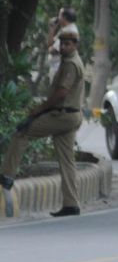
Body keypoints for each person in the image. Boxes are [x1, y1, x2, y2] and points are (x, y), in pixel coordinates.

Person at [1, 27, 85, 217]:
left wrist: (41, 109)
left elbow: (62, 92)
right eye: (62, 43)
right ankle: (71, 204)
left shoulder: (71, 63)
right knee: (67, 161)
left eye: (67, 44)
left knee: (22, 132)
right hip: (69, 115)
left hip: (63, 115)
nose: (63, 47)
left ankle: (6, 175)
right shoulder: (69, 60)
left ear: (75, 45)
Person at [47, 7, 78, 79]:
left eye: (59, 15)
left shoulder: (69, 32)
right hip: (56, 67)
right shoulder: (65, 29)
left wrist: (50, 48)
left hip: (59, 68)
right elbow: (50, 44)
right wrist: (52, 29)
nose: (57, 18)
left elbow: (52, 50)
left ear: (64, 17)